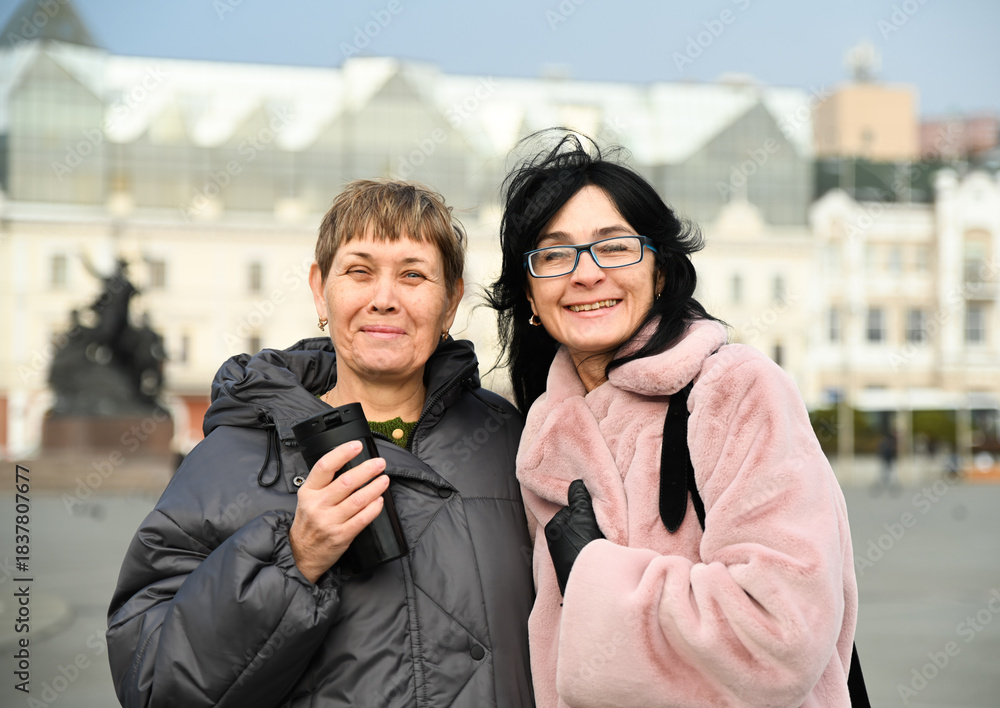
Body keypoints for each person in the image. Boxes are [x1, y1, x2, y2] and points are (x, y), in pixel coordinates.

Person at [107, 180, 535, 707]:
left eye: (413, 275)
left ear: (450, 302)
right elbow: (153, 682)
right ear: (319, 290)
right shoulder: (231, 459)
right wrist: (294, 559)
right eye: (359, 271)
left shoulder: (512, 439)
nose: (384, 299)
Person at [488, 133, 858, 707]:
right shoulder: (541, 439)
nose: (586, 273)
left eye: (614, 247)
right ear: (530, 298)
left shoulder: (735, 391)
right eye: (554, 255)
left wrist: (595, 576)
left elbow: (781, 633)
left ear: (660, 272)